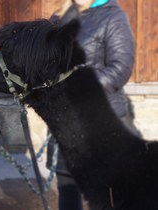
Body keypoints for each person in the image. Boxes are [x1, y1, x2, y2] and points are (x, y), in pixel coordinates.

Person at [46, 0, 141, 210]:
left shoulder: (112, 17)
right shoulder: (59, 18)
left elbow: (120, 67)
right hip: (65, 122)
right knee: (67, 187)